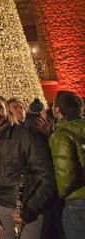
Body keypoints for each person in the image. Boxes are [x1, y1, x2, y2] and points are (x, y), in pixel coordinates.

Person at [0, 94, 56, 239]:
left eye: (0, 107)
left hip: (29, 204)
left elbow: (45, 175)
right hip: (1, 207)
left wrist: (33, 207)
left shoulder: (25, 136)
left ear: (6, 109)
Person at [48, 90, 85, 237]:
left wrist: (58, 196)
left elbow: (66, 176)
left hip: (77, 202)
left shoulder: (61, 135)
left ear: (57, 110)